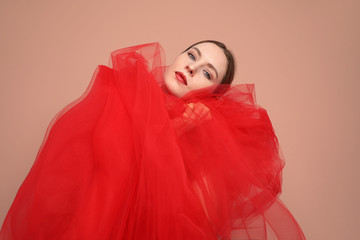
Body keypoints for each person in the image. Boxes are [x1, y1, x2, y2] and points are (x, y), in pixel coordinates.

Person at [0, 40, 306, 239]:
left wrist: (181, 131)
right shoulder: (122, 91)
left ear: (215, 96)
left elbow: (190, 225)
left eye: (207, 73)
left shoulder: (205, 144)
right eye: (191, 55)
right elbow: (74, 163)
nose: (191, 67)